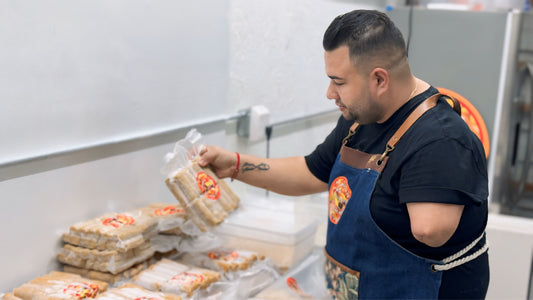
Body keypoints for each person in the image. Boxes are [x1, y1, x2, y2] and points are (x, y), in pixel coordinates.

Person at [199, 9, 489, 299]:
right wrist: (235, 165)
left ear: (379, 80)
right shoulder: (359, 122)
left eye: (338, 82)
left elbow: (431, 230)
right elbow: (309, 172)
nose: (329, 93)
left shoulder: (441, 139)